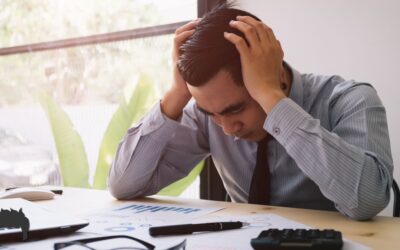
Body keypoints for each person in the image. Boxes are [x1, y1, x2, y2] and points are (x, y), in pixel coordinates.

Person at [108, 4, 393, 220]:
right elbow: (124, 185)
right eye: (212, 114)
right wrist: (176, 94)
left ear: (276, 72)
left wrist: (272, 98)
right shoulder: (210, 115)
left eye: (237, 109)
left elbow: (366, 200)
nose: (227, 129)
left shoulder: (349, 100)